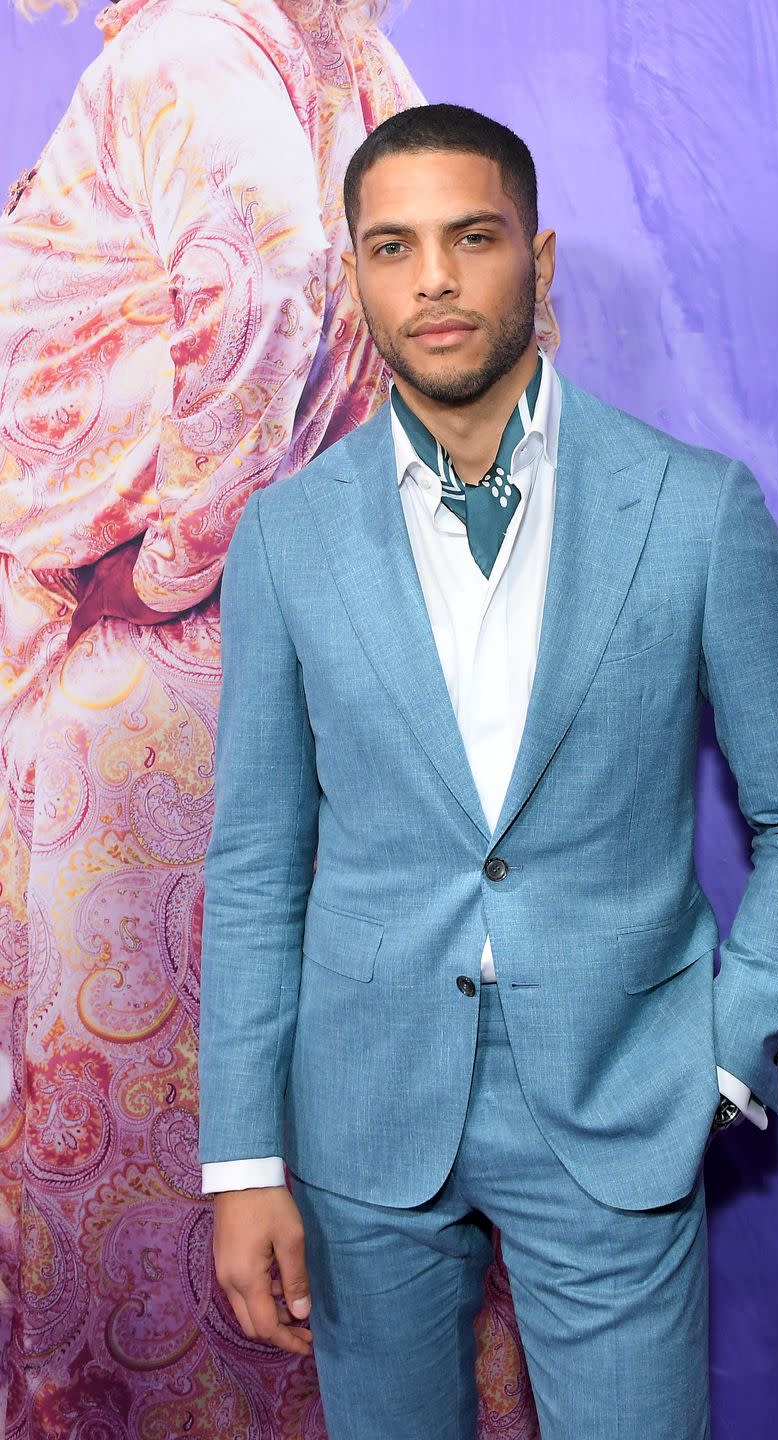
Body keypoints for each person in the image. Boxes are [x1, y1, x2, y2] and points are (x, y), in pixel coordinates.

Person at [198, 103, 778, 1439]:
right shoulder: (283, 538)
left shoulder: (693, 508)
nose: (433, 279)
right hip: (361, 1106)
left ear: (540, 260)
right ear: (357, 276)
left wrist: (723, 1059)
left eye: (472, 238)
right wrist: (242, 1156)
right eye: (392, 247)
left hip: (623, 1089)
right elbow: (259, 861)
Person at [0, 0, 451, 1430]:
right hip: (305, 661)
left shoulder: (187, 42)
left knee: (131, 1153)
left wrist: (179, 551)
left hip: (134, 691)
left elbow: (262, 282)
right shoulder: (354, 57)